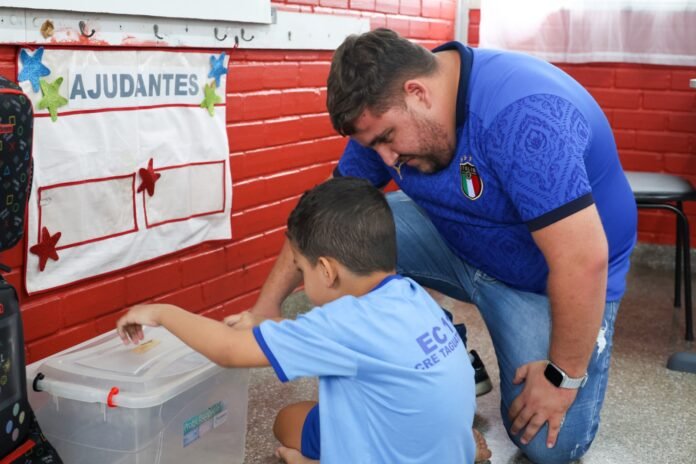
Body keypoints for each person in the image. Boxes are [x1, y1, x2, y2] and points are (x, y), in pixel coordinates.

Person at [240, 29, 638, 464]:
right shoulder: (387, 112)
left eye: (388, 138)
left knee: (550, 445)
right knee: (346, 234)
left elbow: (583, 260)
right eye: (374, 145)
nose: (386, 158)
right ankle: (439, 358)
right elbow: (322, 221)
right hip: (456, 240)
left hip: (544, 278)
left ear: (418, 93)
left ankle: (457, 364)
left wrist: (561, 377)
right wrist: (266, 308)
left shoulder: (524, 115)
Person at [117, 177, 485, 464]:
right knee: (321, 413)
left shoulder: (344, 322)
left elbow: (228, 350)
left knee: (285, 422)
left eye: (300, 269)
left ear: (326, 270)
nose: (302, 279)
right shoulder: (411, 293)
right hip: (445, 449)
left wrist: (162, 312)